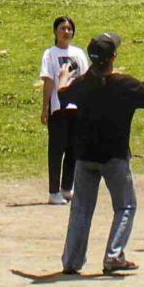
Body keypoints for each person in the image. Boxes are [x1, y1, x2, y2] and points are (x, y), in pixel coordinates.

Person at [61, 31, 144, 275]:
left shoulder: (83, 83)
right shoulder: (124, 84)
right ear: (114, 58)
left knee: (81, 209)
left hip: (85, 156)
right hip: (114, 157)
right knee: (125, 207)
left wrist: (62, 79)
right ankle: (114, 256)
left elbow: (63, 94)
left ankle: (71, 261)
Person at [39, 15, 88, 204]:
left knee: (74, 148)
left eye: (69, 29)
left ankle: (67, 187)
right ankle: (53, 191)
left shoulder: (79, 53)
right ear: (55, 31)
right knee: (56, 149)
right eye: (62, 28)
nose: (66, 32)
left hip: (77, 107)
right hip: (58, 107)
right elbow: (48, 80)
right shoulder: (49, 54)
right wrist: (45, 108)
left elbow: (85, 78)